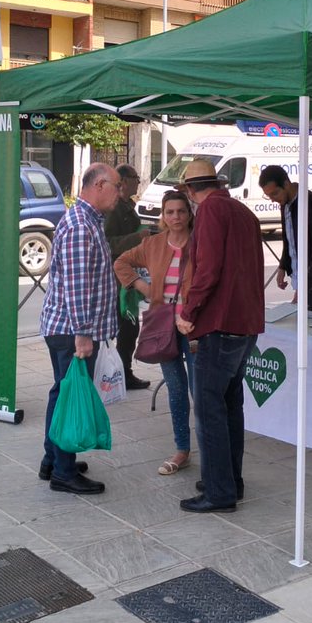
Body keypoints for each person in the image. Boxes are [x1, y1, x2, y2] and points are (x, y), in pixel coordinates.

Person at [176, 159, 265, 513]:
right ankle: (228, 481)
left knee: (210, 409)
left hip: (221, 324)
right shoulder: (242, 211)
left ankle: (219, 492)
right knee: (229, 407)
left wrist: (188, 312)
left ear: (189, 190)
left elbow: (208, 270)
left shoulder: (211, 211)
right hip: (245, 324)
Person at [38, 162, 121, 495]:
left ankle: (53, 459)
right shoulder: (79, 226)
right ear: (99, 185)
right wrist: (83, 335)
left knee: (62, 391)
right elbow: (77, 286)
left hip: (69, 328)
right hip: (72, 331)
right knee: (69, 394)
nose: (120, 194)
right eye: (117, 186)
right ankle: (63, 471)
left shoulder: (88, 221)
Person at [114, 190, 195, 476]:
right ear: (163, 215)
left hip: (195, 328)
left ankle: (212, 453)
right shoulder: (154, 244)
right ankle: (182, 450)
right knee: (176, 390)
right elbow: (121, 262)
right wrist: (142, 286)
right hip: (164, 327)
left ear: (189, 214)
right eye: (170, 212)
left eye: (181, 211)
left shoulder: (200, 243)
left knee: (200, 392)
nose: (176, 217)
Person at [258, 164, 312, 315]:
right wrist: (283, 266)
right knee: (302, 318)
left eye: (275, 193)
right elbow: (289, 239)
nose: (273, 200)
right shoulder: (285, 203)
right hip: (303, 273)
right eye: (268, 196)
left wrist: (305, 287)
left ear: (286, 184)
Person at [105, 164, 152, 390]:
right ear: (123, 181)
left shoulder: (127, 206)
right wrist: (137, 238)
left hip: (128, 277)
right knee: (126, 327)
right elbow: (107, 243)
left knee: (129, 328)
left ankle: (122, 372)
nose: (138, 182)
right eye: (135, 178)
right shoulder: (113, 209)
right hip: (116, 280)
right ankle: (120, 373)